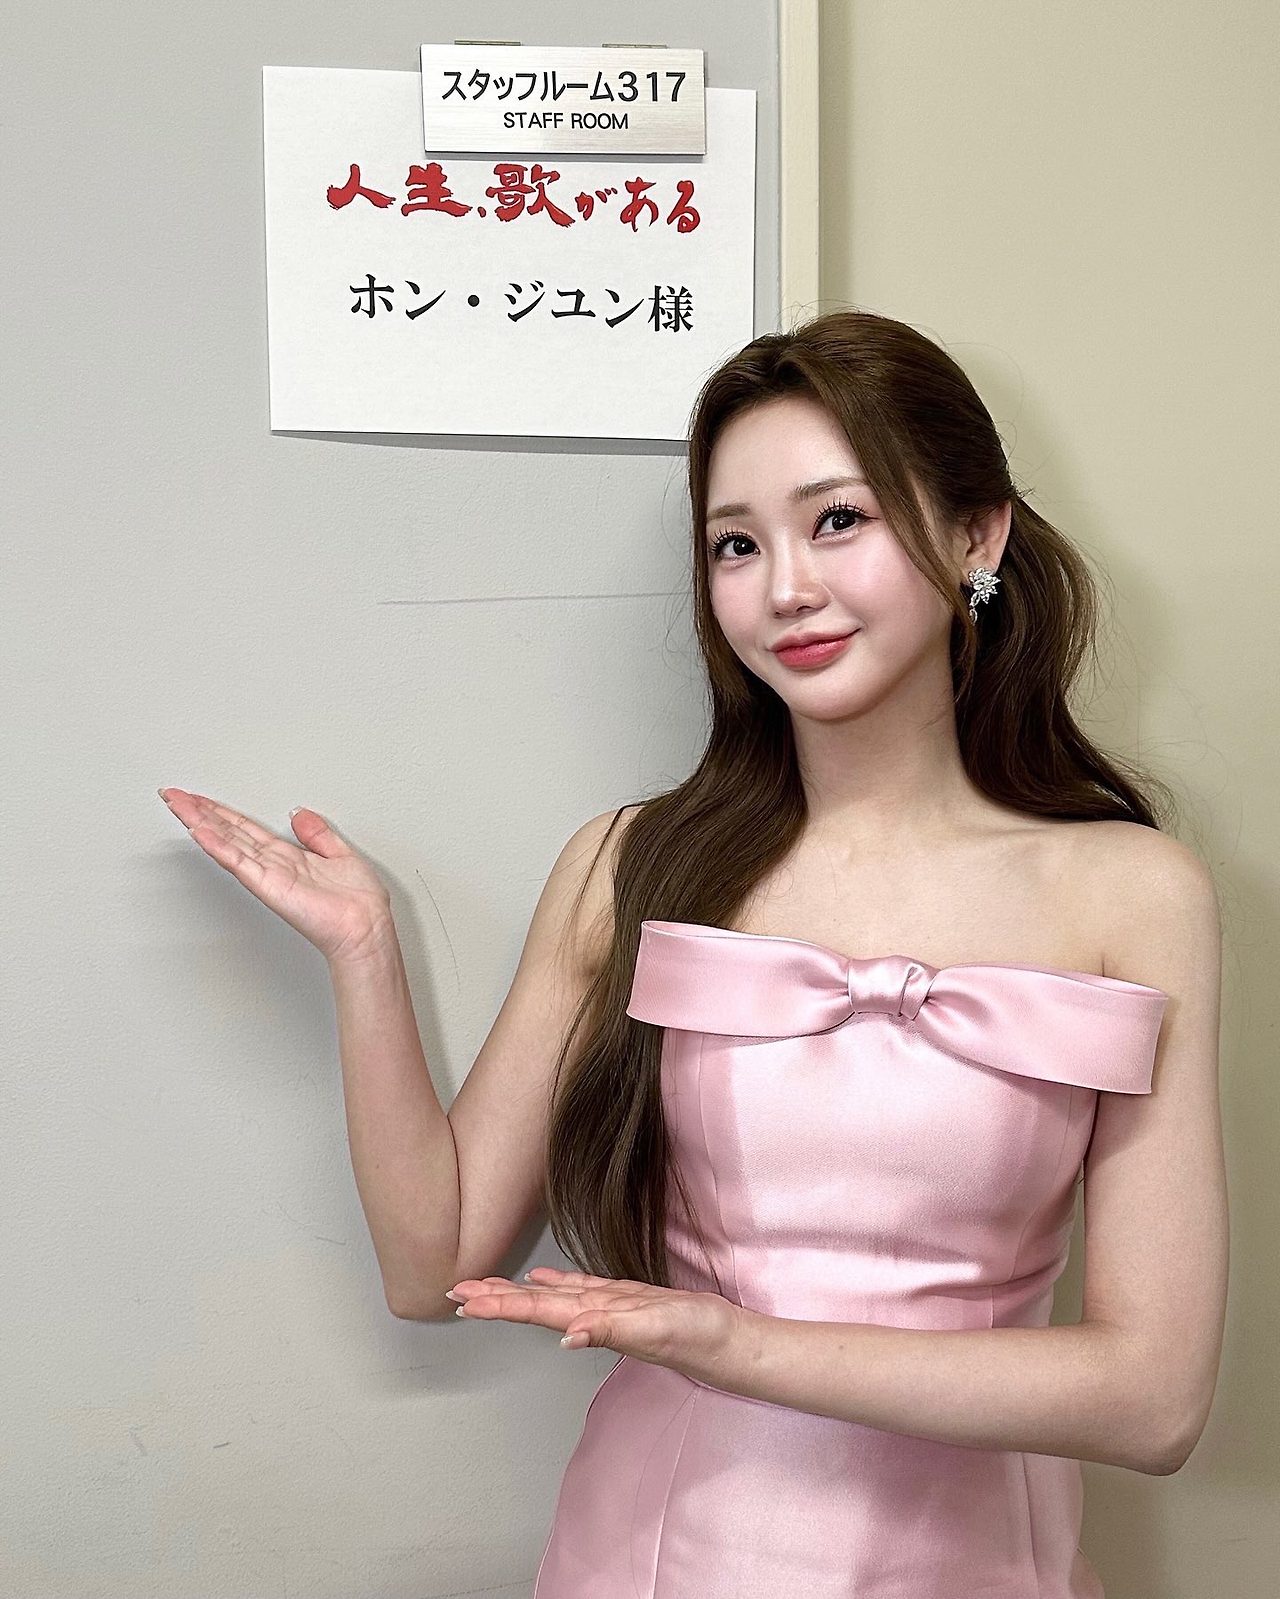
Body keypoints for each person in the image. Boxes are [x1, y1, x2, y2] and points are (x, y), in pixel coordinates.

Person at [158, 309, 1228, 1597]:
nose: (787, 589)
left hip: (974, 1566)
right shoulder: (632, 865)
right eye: (738, 544)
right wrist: (363, 951)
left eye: (839, 520)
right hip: (655, 1557)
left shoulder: (1133, 891)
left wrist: (732, 1344)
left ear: (976, 535)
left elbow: (1155, 1401)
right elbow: (431, 1267)